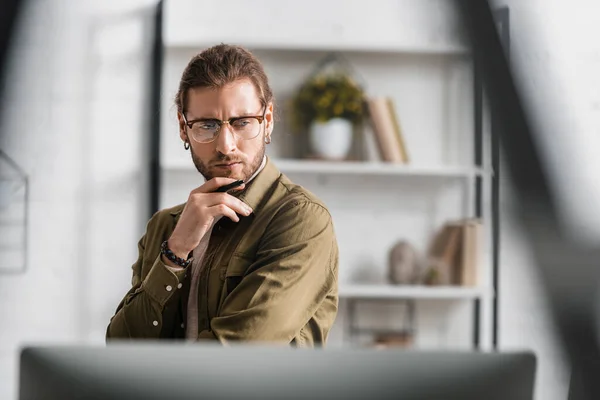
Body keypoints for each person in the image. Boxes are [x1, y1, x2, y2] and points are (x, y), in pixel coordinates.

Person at [106, 44, 339, 346]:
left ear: (267, 120)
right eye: (207, 125)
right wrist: (175, 251)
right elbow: (122, 348)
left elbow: (234, 354)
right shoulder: (165, 227)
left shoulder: (303, 220)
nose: (226, 145)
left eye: (242, 123)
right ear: (182, 128)